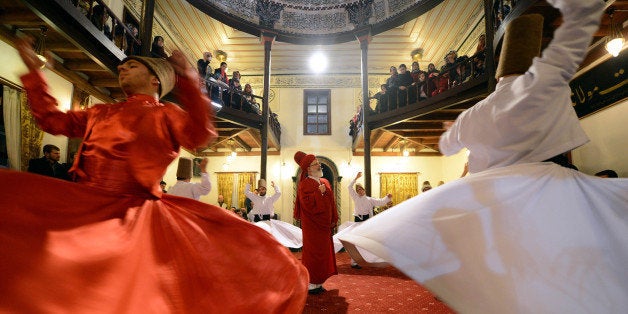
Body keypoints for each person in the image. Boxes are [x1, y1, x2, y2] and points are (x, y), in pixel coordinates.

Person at [340, 1, 628, 312]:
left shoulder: (479, 111)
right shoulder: (550, 96)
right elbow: (568, 140)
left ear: (502, 69)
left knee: (496, 259)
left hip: (496, 192)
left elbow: (448, 145)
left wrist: (462, 138)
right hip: (550, 184)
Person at [0, 38, 307, 312]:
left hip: (135, 214)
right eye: (122, 66)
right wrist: (33, 72)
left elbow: (200, 134)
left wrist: (189, 81)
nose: (123, 69)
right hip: (85, 203)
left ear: (154, 80)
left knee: (126, 293)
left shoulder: (166, 114)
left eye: (131, 65)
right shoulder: (100, 112)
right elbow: (51, 120)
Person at [293, 151, 338, 295]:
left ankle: (319, 282)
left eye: (318, 163)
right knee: (313, 254)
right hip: (313, 227)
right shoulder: (304, 185)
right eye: (316, 164)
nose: (319, 165)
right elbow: (307, 205)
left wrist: (333, 218)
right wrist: (319, 193)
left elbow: (331, 203)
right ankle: (311, 283)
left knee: (323, 254)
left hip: (324, 226)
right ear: (308, 169)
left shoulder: (324, 182)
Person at [336, 171, 392, 269]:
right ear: (357, 192)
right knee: (355, 243)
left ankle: (372, 259)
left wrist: (388, 197)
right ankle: (354, 262)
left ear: (364, 190)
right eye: (358, 190)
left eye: (361, 189)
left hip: (367, 224)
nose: (360, 191)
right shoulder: (356, 198)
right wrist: (355, 178)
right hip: (357, 222)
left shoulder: (370, 199)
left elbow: (381, 202)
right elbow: (349, 187)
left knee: (369, 243)